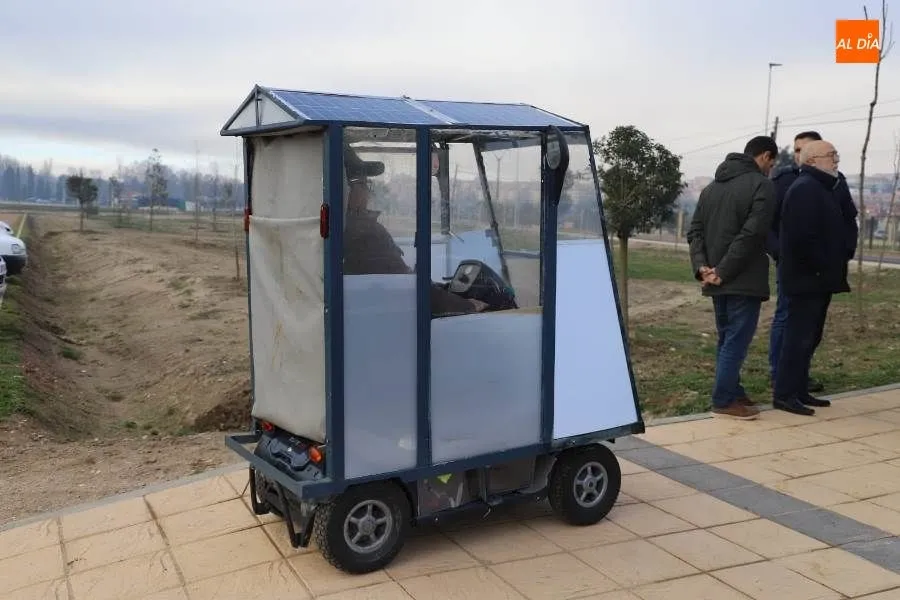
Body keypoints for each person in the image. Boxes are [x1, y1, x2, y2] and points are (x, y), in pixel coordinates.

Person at [687, 136, 778, 420]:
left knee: (727, 339)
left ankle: (733, 391)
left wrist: (704, 267)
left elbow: (695, 232)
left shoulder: (711, 189)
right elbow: (752, 235)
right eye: (771, 164)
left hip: (716, 277)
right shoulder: (762, 186)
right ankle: (724, 399)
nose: (771, 169)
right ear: (764, 157)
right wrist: (722, 271)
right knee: (735, 341)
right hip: (740, 278)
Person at [341, 145, 487, 316]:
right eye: (363, 184)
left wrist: (438, 289)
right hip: (389, 323)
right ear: (346, 190)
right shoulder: (365, 235)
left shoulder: (344, 230)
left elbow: (399, 280)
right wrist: (467, 307)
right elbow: (404, 286)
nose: (368, 192)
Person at [767, 131, 858, 393]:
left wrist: (845, 252)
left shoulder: (834, 183)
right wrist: (780, 253)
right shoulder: (790, 183)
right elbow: (781, 228)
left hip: (823, 271)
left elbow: (846, 219)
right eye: (796, 150)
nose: (797, 155)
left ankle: (797, 382)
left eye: (801, 150)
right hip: (801, 269)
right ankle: (782, 379)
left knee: (809, 331)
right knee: (790, 325)